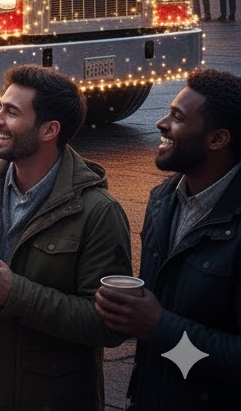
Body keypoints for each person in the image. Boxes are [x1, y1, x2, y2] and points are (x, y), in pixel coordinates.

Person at [0, 64, 132, 411]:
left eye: (11, 112)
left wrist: (14, 293)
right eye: (0, 108)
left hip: (51, 398)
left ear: (49, 130)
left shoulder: (98, 211)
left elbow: (108, 326)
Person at [96, 69, 241, 410]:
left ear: (217, 139)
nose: (161, 123)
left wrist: (159, 326)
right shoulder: (163, 200)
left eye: (177, 117)